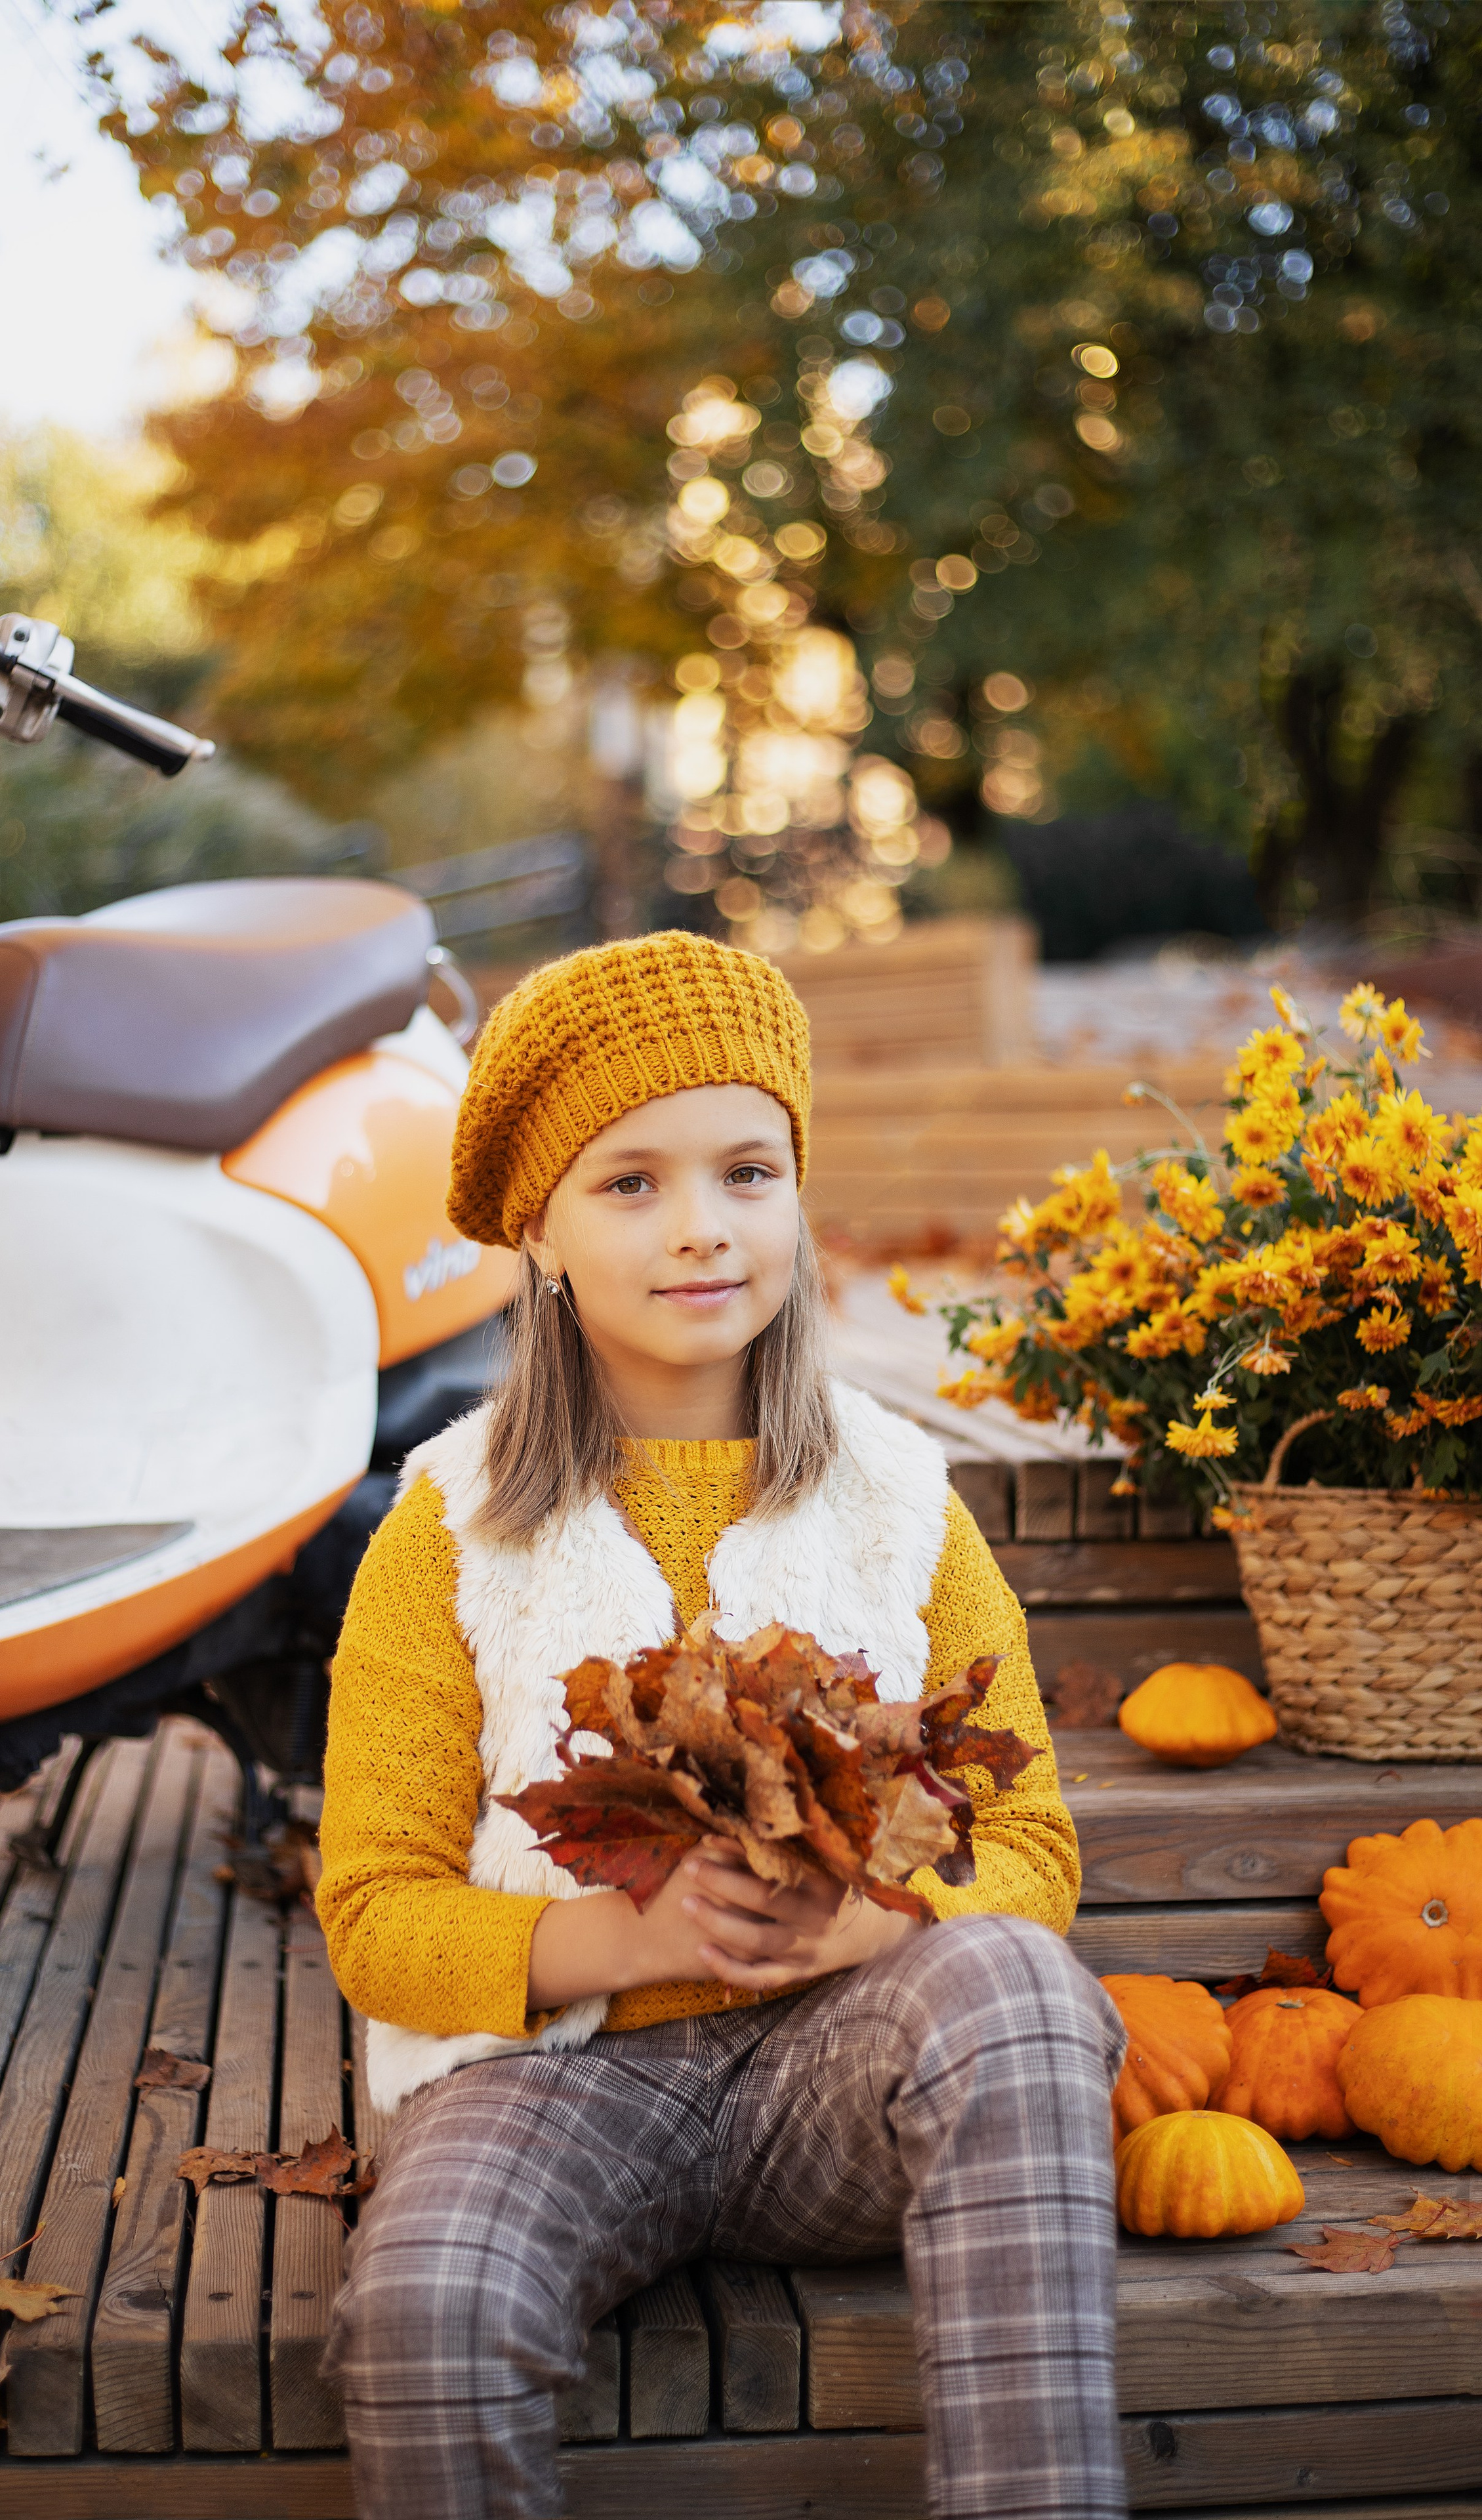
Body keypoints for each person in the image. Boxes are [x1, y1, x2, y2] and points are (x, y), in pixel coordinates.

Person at [316, 932, 1128, 2519]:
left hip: (838, 2071)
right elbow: (373, 1913)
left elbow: (1030, 1849)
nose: (702, 1227)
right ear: (538, 1231)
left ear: (795, 1193)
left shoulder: (898, 1505)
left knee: (1017, 1989)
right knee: (427, 2313)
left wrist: (872, 1919)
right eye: (630, 1183)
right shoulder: (446, 1533)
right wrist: (622, 1939)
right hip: (549, 2084)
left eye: (746, 1172)